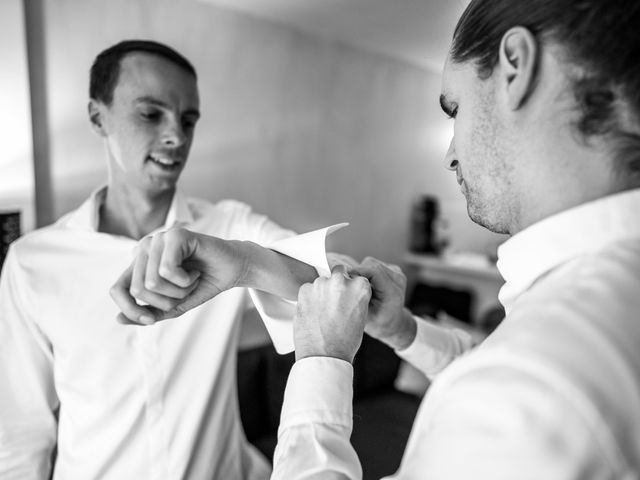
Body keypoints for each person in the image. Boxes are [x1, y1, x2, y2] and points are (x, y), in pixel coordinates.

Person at [111, 0, 640, 478]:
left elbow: (504, 375)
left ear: (516, 67)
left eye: (453, 109)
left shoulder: (527, 384)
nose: (449, 153)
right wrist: (405, 329)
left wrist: (321, 359)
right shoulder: (593, 306)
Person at [0, 39, 339, 480]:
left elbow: (337, 285)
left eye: (189, 119)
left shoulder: (230, 226)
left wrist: (242, 263)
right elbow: (19, 435)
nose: (176, 136)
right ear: (97, 116)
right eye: (150, 113)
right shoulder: (32, 262)